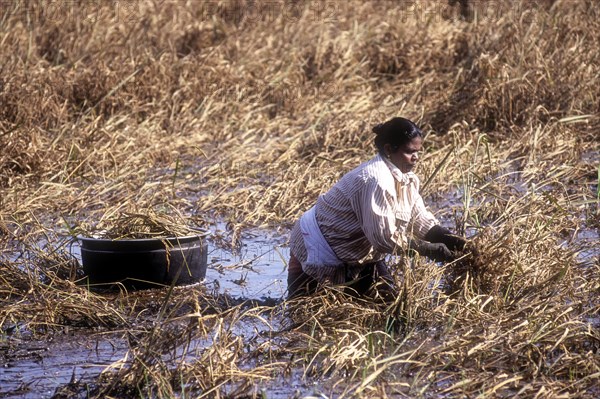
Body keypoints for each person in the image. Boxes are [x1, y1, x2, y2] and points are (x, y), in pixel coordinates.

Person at [287, 117, 467, 299]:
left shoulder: (407, 179)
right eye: (409, 152)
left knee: (390, 306)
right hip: (315, 246)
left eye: (418, 152)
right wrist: (430, 250)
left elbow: (420, 221)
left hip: (358, 253)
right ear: (389, 149)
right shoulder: (376, 180)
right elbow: (384, 239)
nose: (416, 158)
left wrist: (457, 242)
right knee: (303, 315)